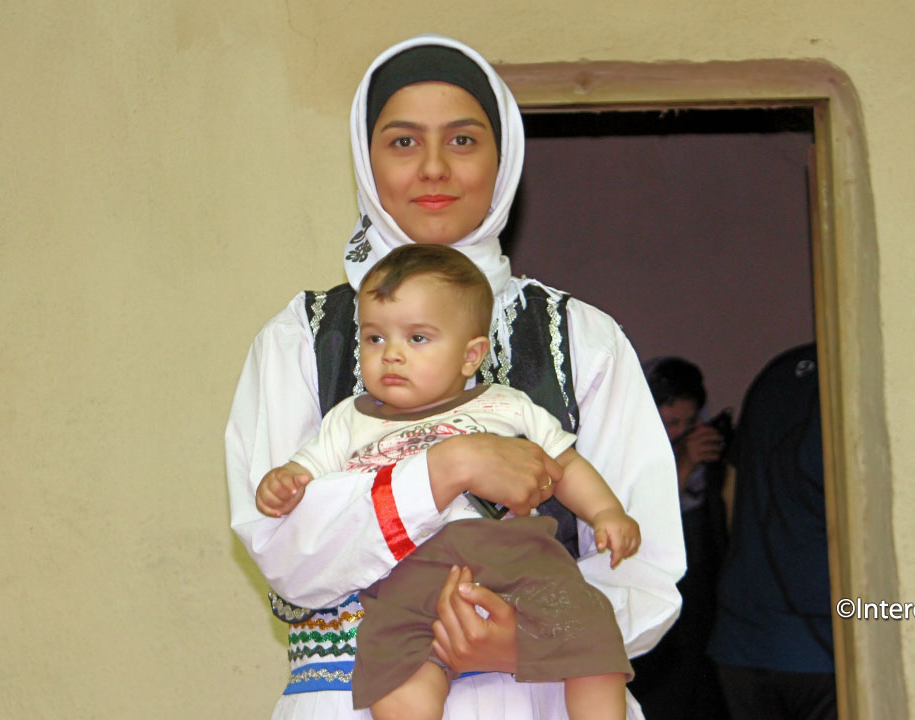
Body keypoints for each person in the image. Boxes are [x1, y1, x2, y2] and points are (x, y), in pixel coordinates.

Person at [225, 34, 684, 719]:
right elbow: (286, 556)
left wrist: (519, 640)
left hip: (546, 700)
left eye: (464, 141)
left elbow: (643, 565)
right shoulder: (300, 338)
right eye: (403, 142)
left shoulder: (581, 338)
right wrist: (448, 467)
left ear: (504, 160)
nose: (434, 169)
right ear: (365, 156)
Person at [256, 244, 639, 719]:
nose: (391, 355)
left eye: (417, 339)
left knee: (589, 629)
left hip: (518, 557)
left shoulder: (506, 405)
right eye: (374, 339)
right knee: (395, 670)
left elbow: (565, 465)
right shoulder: (347, 421)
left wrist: (605, 512)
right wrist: (286, 479)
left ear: (470, 355)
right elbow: (306, 472)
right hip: (408, 573)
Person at [708, 343, 835, 720]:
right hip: (823, 639)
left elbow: (731, 489)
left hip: (745, 633)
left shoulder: (778, 373)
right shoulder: (854, 379)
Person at [628, 357, 730, 719]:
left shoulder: (709, 466)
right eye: (671, 423)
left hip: (701, 603)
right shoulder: (624, 455)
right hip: (652, 607)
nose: (681, 433)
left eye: (689, 422)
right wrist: (683, 464)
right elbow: (642, 521)